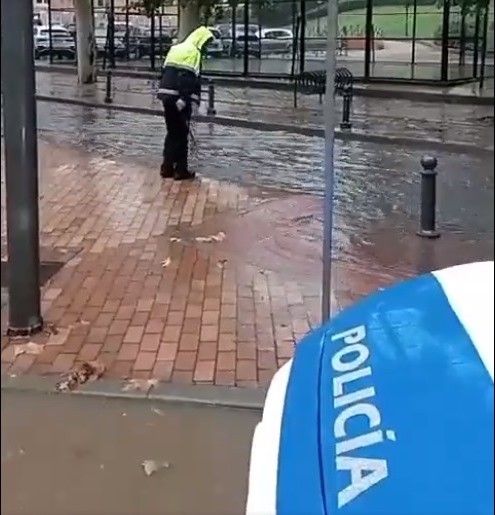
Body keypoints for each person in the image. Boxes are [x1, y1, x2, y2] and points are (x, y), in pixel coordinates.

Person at [157, 26, 213, 181]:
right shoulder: (193, 52)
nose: (207, 47)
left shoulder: (176, 48)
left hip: (166, 96)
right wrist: (184, 99)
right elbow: (188, 78)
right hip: (179, 98)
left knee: (172, 132)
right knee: (182, 134)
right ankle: (181, 170)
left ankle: (166, 168)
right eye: (207, 43)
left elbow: (164, 72)